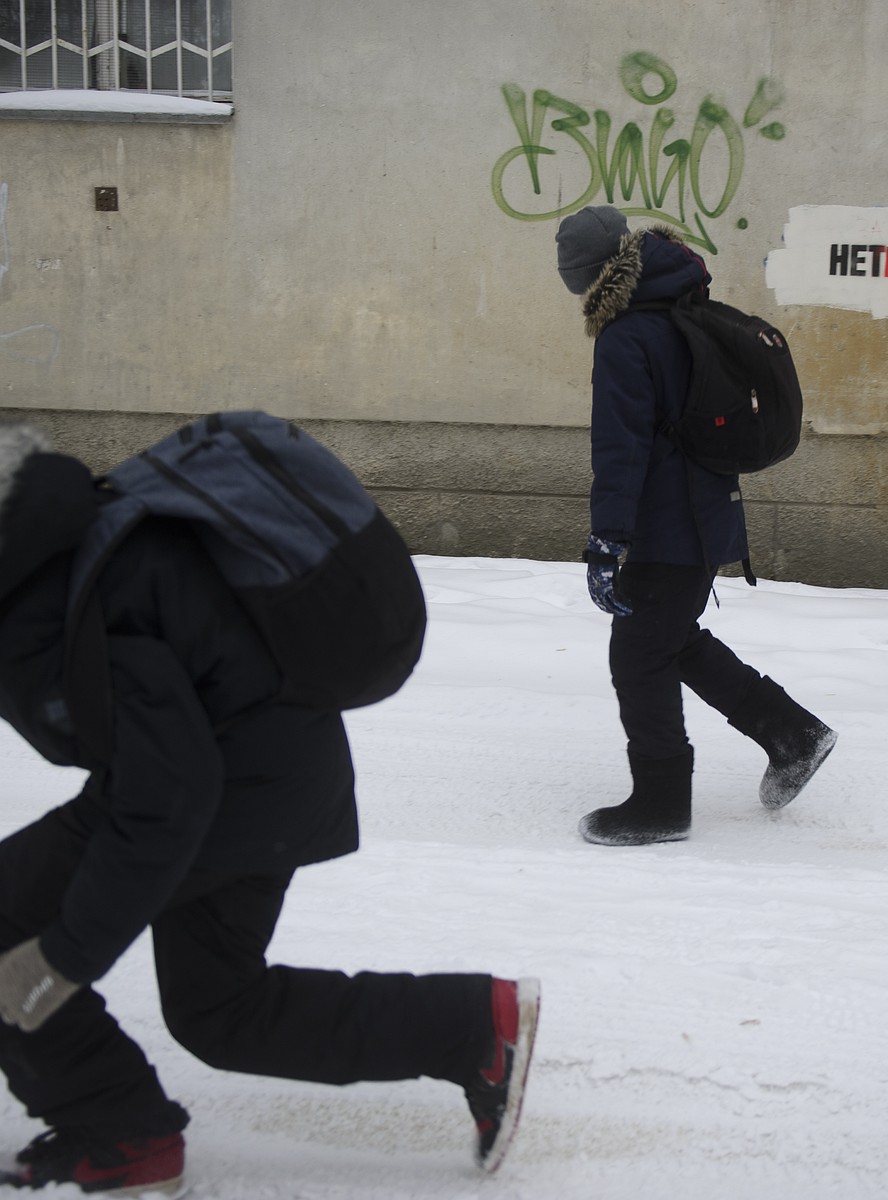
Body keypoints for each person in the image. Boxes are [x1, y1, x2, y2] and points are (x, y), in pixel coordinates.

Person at [0, 424, 540, 1194]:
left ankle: (122, 1137)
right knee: (218, 1008)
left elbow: (164, 800)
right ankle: (471, 1027)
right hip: (271, 772)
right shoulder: (46, 543)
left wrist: (62, 958)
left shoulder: (51, 595)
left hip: (225, 792)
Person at [555, 205, 838, 847]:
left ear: (586, 276)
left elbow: (621, 449)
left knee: (638, 656)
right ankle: (793, 736)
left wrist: (607, 541)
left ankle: (660, 802)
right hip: (700, 511)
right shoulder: (674, 309)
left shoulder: (628, 336)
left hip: (668, 522)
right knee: (671, 639)